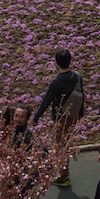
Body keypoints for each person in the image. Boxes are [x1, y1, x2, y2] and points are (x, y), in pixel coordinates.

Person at [31, 49, 86, 187]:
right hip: (73, 115)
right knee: (65, 144)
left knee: (60, 146)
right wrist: (81, 113)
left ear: (57, 63)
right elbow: (81, 94)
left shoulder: (57, 81)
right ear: (70, 60)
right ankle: (64, 173)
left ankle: (63, 176)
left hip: (61, 118)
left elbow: (46, 100)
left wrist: (35, 118)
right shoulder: (77, 76)